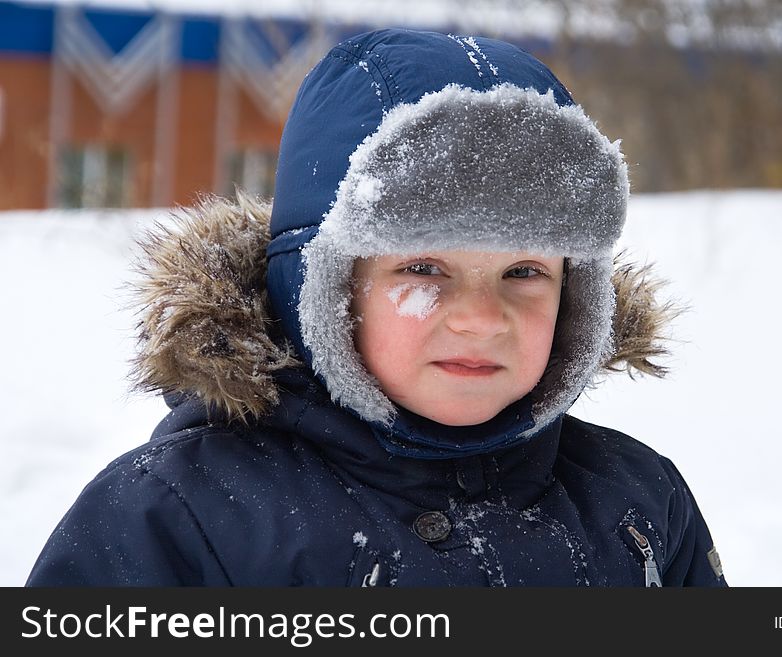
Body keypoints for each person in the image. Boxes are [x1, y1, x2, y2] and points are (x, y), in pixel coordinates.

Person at [26, 28, 726, 587]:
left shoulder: (637, 500)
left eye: (523, 271)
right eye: (423, 268)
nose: (482, 317)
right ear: (321, 288)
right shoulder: (176, 518)